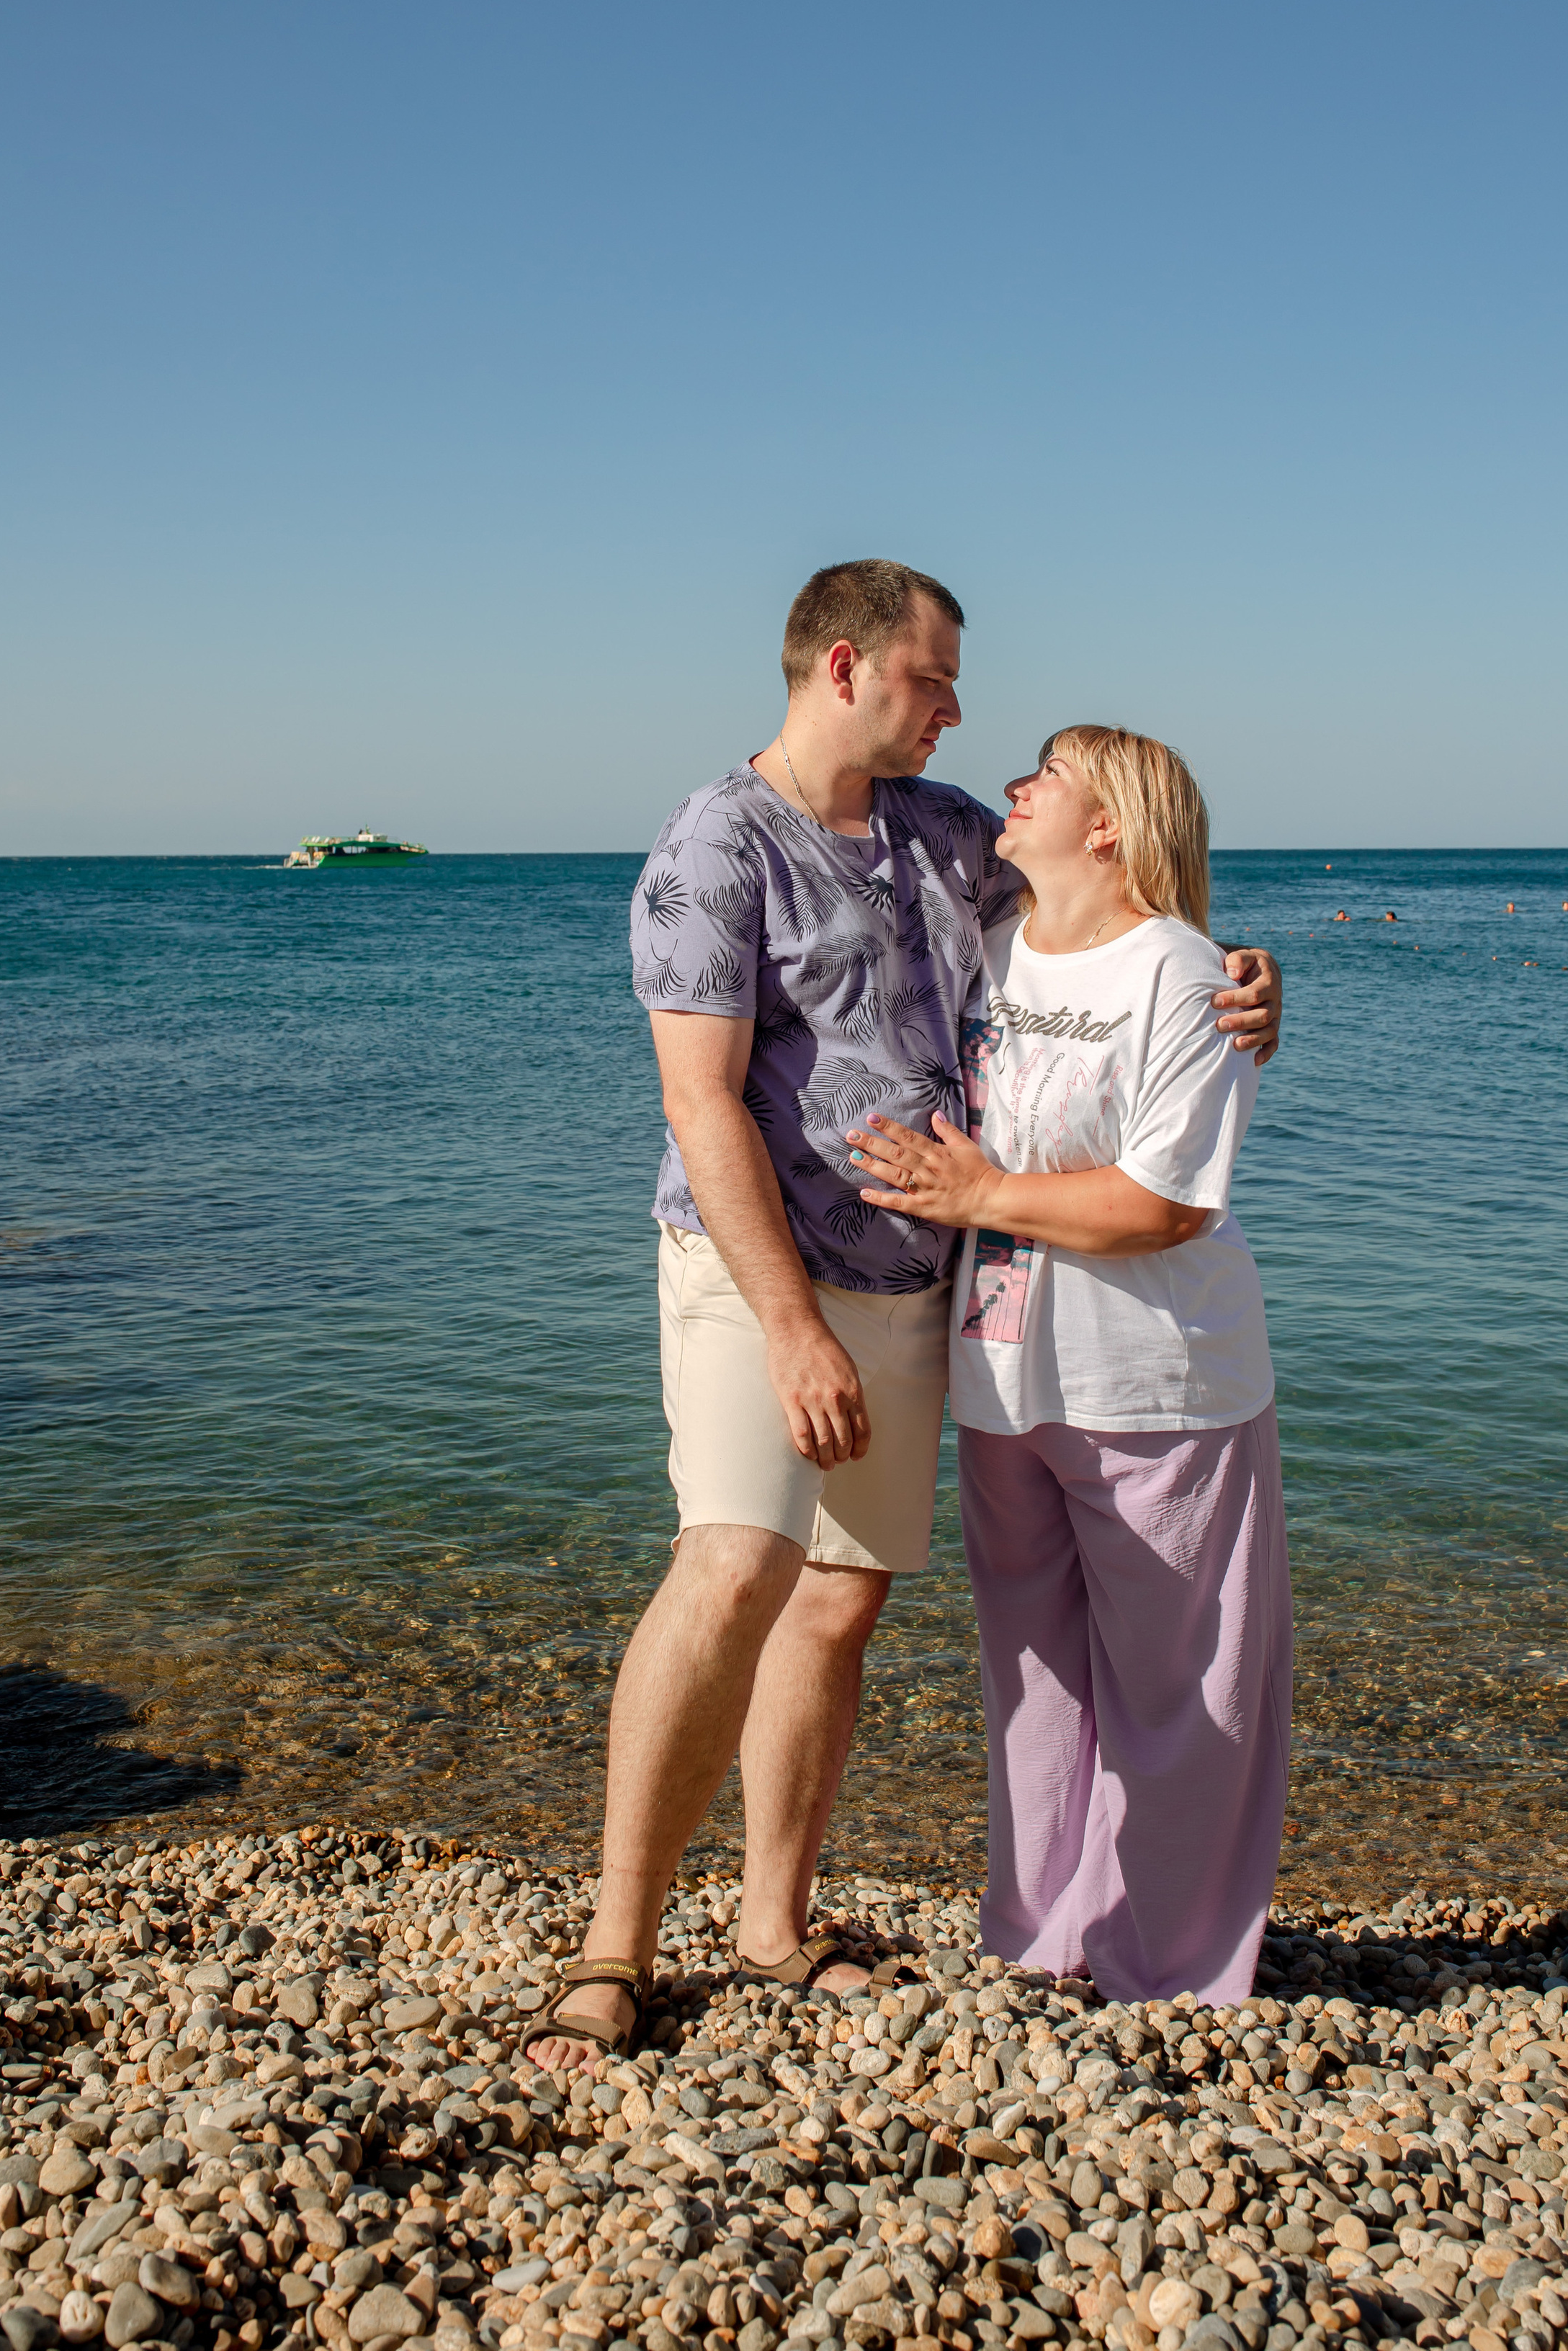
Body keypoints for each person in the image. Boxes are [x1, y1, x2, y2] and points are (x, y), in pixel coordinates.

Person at [524, 575, 1281, 2069]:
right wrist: (790, 1327)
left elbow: (1112, 934)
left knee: (837, 1600)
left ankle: (769, 1928)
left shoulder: (935, 831)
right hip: (759, 1281)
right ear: (847, 666)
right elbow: (699, 1097)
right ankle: (612, 1948)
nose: (954, 712)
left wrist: (1246, 984)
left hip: (919, 1292)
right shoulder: (712, 848)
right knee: (735, 1563)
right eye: (934, 681)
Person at [846, 725, 1286, 2005]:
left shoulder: (1185, 977)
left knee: (1180, 1694)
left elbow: (1164, 1204)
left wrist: (984, 1188)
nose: (1015, 786)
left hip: (1158, 1383)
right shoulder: (994, 945)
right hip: (1000, 1379)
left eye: (1049, 773)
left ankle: (1172, 1966)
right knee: (1034, 1684)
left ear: (1109, 826)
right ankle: (1040, 1942)